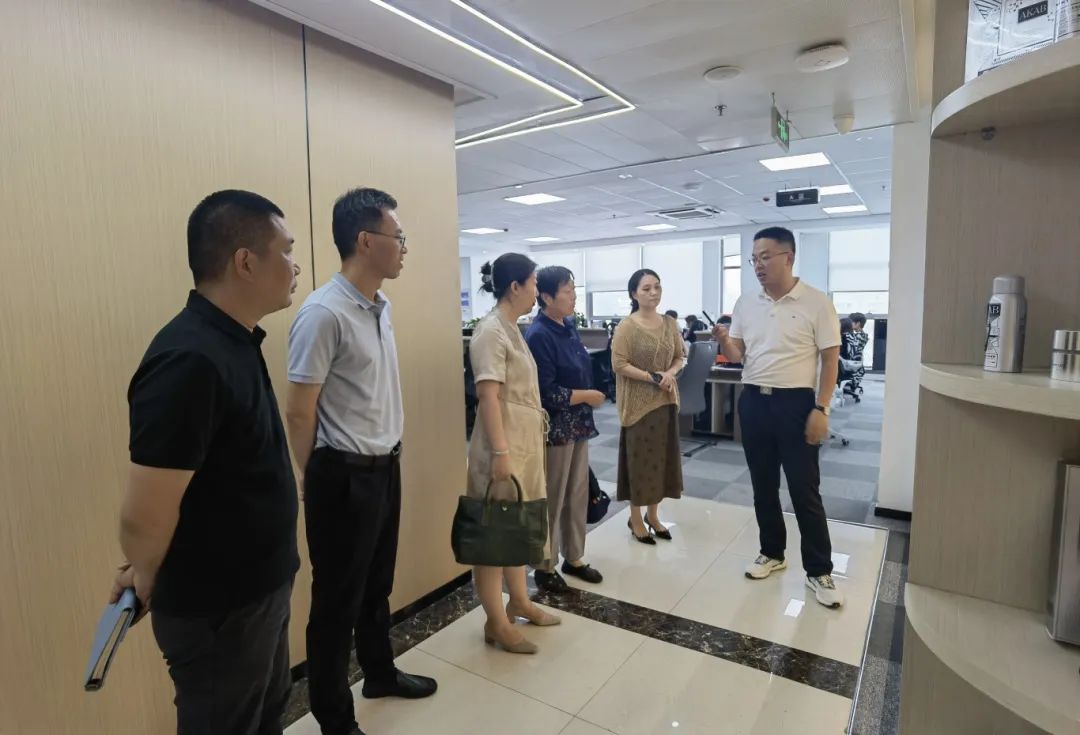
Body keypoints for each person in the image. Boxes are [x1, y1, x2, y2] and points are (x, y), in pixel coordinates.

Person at [111, 190, 302, 734]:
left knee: (264, 715)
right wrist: (146, 569)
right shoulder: (189, 359)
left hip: (257, 593)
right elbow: (143, 515)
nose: (295, 265)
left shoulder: (233, 340)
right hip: (220, 610)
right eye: (286, 250)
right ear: (246, 262)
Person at [286, 188, 436, 735]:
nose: (404, 248)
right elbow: (298, 411)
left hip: (383, 466)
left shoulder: (379, 306)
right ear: (366, 241)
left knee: (377, 585)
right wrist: (312, 477)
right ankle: (335, 718)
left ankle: (379, 672)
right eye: (399, 237)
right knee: (335, 604)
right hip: (342, 475)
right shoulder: (323, 313)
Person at [712, 226, 844, 609]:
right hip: (754, 401)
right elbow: (738, 356)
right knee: (763, 485)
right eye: (753, 259)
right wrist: (724, 341)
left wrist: (822, 408)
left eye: (765, 257)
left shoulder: (817, 302)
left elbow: (830, 360)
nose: (758, 265)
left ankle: (819, 569)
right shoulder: (745, 302)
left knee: (804, 489)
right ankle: (772, 552)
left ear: (789, 257)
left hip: (796, 404)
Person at [468, 253, 561, 654]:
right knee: (494, 534)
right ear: (515, 287)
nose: (537, 291)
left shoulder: (512, 328)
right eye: (534, 283)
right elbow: (488, 396)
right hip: (502, 444)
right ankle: (495, 621)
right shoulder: (490, 331)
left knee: (516, 526)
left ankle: (520, 601)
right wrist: (501, 452)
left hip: (523, 443)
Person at [525, 265, 606, 593]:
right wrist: (586, 395)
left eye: (574, 289)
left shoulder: (568, 326)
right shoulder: (539, 335)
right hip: (556, 429)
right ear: (546, 297)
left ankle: (575, 557)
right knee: (553, 496)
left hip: (580, 424)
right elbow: (545, 392)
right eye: (567, 291)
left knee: (577, 493)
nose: (573, 296)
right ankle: (545, 566)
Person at [611, 269, 685, 545]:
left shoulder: (669, 324)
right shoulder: (627, 327)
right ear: (634, 294)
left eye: (657, 287)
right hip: (637, 407)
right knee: (640, 464)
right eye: (646, 289)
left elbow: (679, 356)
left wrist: (670, 373)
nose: (653, 293)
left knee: (661, 463)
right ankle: (635, 518)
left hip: (666, 402)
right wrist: (652, 377)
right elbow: (618, 364)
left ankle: (653, 516)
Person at [844, 312, 869, 399]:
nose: (849, 324)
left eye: (850, 322)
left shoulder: (856, 337)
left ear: (858, 323)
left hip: (853, 366)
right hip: (857, 365)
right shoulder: (863, 335)